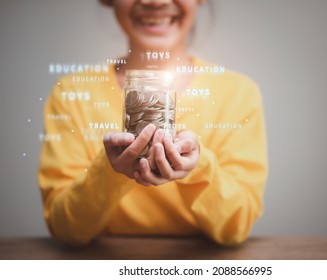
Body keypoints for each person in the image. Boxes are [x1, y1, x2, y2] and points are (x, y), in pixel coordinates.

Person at [38, 0, 268, 246]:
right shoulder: (71, 94)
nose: (155, 1)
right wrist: (109, 170)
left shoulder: (238, 93)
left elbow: (236, 226)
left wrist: (198, 167)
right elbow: (65, 228)